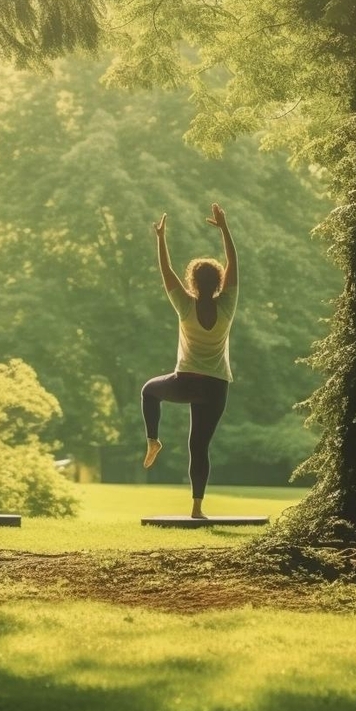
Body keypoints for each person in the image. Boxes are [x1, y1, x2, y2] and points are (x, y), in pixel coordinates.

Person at [141, 204, 238, 519]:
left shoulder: (184, 305)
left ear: (193, 282)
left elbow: (166, 273)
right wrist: (224, 228)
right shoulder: (227, 306)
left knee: (149, 391)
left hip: (185, 382)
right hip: (216, 386)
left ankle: (153, 440)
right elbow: (234, 264)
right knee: (199, 446)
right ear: (219, 282)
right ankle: (197, 508)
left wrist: (160, 238)